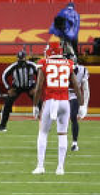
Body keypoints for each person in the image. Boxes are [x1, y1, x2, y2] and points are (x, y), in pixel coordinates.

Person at [31, 42, 85, 175]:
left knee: (43, 133)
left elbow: (38, 87)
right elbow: (76, 86)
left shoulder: (44, 63)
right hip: (64, 102)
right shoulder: (68, 63)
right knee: (62, 134)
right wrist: (82, 104)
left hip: (50, 101)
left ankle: (40, 166)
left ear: (51, 51)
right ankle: (60, 168)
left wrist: (35, 105)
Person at [0, 50, 37, 131]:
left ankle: (46, 125)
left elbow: (40, 74)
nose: (21, 61)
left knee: (41, 104)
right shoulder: (14, 66)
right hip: (17, 88)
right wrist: (8, 88)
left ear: (26, 58)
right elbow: (4, 75)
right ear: (17, 58)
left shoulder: (32, 65)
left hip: (30, 87)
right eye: (19, 59)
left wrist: (36, 87)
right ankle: (2, 126)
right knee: (7, 105)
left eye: (22, 59)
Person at [68, 55, 90, 152]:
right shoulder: (61, 68)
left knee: (73, 116)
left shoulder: (82, 70)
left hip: (74, 95)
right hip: (61, 94)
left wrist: (84, 105)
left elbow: (86, 89)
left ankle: (74, 143)